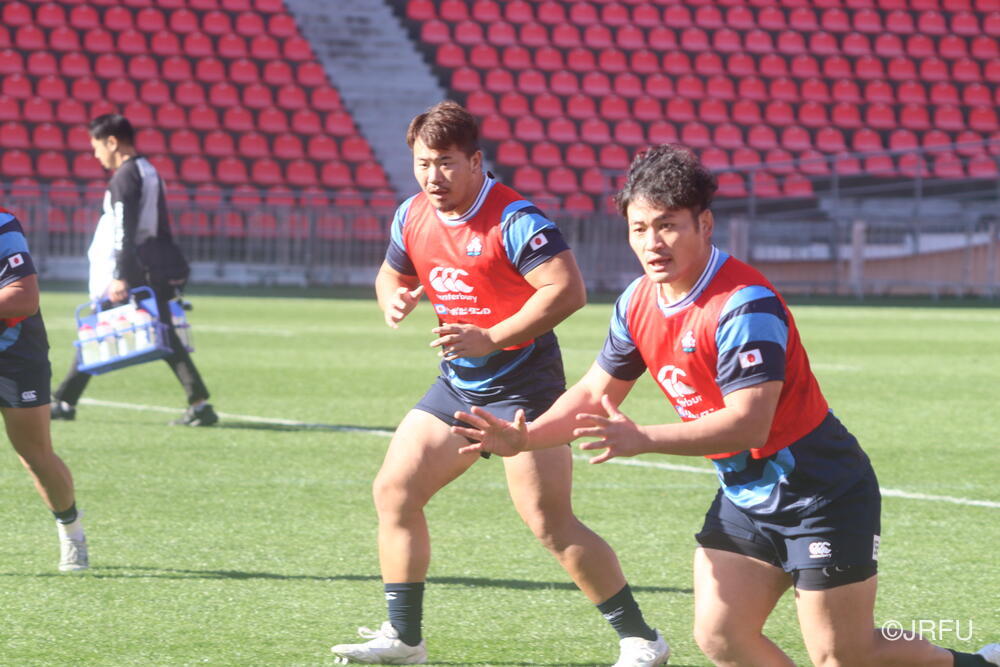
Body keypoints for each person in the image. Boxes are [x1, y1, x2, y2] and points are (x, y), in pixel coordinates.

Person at [453, 144, 999, 667]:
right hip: (747, 496)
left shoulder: (744, 305)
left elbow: (748, 423)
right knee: (721, 635)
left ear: (705, 224)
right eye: (639, 228)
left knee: (844, 655)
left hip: (821, 491)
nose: (652, 243)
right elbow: (595, 394)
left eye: (668, 225)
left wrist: (643, 439)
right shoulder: (636, 300)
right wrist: (525, 438)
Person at [330, 101, 670, 666]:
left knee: (550, 524)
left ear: (475, 162)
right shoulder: (411, 214)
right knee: (394, 492)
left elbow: (567, 290)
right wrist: (391, 295)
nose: (433, 176)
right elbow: (393, 271)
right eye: (423, 164)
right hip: (458, 387)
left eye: (446, 163)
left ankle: (641, 640)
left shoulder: (516, 220)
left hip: (525, 392)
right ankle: (405, 638)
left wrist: (491, 337)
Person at [50, 114, 217, 427]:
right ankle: (65, 400)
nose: (96, 154)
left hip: (136, 268)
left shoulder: (125, 177)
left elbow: (122, 231)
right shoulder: (148, 170)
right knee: (155, 332)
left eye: (97, 146)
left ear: (112, 142)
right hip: (153, 262)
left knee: (101, 328)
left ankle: (64, 401)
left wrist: (120, 275)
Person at [0, 206, 88, 571]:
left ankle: (71, 531)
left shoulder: (3, 225)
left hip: (14, 355)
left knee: (35, 455)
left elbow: (25, 297)